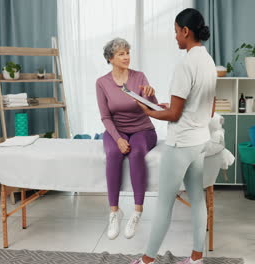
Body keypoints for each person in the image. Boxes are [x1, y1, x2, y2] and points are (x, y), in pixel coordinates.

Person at [131, 8, 216, 264]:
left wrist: (148, 111)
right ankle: (196, 259)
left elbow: (174, 115)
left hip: (180, 145)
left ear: (186, 31)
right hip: (199, 141)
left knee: (163, 206)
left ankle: (146, 261)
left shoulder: (185, 64)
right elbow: (208, 107)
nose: (175, 37)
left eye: (176, 32)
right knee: (197, 200)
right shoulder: (209, 61)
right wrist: (171, 106)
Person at [96, 38, 158, 240]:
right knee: (113, 153)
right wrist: (118, 139)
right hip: (117, 130)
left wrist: (151, 95)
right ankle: (114, 211)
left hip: (143, 129)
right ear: (110, 58)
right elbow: (105, 117)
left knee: (137, 152)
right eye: (121, 54)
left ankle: (137, 211)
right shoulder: (102, 83)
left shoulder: (139, 77)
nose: (126, 57)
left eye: (128, 52)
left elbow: (153, 109)